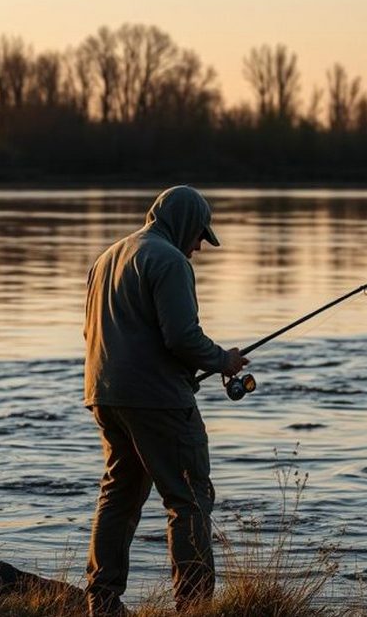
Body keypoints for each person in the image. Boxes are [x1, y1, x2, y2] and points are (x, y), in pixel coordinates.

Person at [82, 185, 248, 616]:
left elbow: (91, 332)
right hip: (157, 401)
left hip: (104, 394)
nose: (198, 247)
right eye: (200, 236)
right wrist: (223, 360)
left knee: (119, 496)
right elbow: (182, 337)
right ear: (186, 224)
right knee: (189, 498)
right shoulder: (170, 261)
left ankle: (102, 601)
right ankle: (193, 607)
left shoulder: (108, 257)